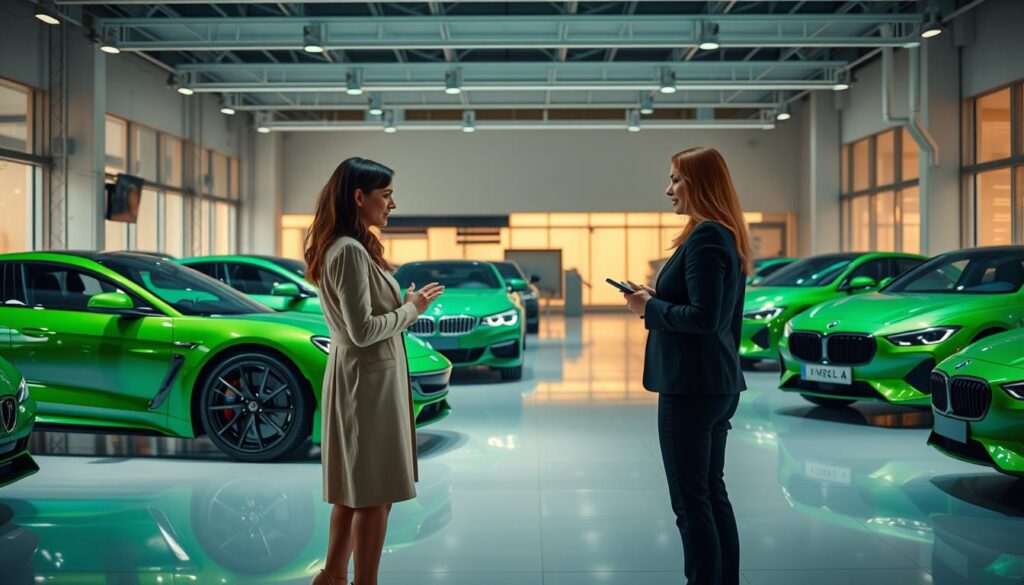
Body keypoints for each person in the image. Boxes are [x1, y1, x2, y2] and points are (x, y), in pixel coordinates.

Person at [304, 157, 444, 585]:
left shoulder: (350, 246)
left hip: (366, 378)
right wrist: (411, 309)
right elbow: (362, 331)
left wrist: (403, 305)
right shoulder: (347, 251)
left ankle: (332, 577)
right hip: (366, 381)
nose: (392, 205)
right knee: (374, 495)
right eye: (386, 196)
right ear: (359, 197)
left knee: (355, 491)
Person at [622, 146, 751, 585]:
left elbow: (703, 319)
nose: (668, 189)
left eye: (676, 179)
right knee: (711, 496)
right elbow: (706, 311)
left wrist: (647, 308)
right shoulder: (721, 234)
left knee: (692, 504)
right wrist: (655, 300)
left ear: (699, 183)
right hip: (715, 385)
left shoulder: (707, 237)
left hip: (692, 388)